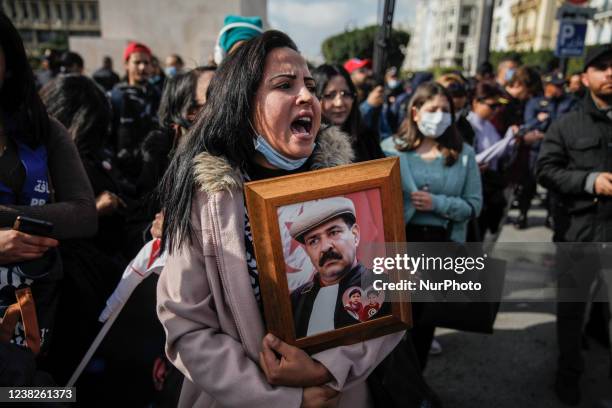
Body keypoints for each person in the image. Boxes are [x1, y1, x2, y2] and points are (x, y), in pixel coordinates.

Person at [157, 30, 402, 408]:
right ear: (243, 103)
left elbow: (392, 295)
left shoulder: (354, 186)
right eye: (285, 85)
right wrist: (285, 398)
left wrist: (326, 371)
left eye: (310, 85)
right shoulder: (205, 201)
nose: (307, 96)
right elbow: (186, 326)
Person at [0, 11, 96, 375]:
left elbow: (83, 215)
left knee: (47, 396)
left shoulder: (44, 129)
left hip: (39, 314)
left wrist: (9, 220)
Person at [382, 81, 482, 370]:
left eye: (445, 110)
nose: (439, 116)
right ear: (415, 112)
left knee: (425, 324)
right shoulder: (389, 150)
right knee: (392, 326)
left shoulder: (463, 155)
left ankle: (417, 389)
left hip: (441, 247)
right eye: (432, 109)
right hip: (398, 245)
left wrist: (438, 204)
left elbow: (474, 204)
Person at [536, 43, 612, 406]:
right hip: (577, 234)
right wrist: (589, 181)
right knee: (571, 312)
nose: (610, 73)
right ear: (585, 77)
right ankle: (568, 374)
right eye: (602, 67)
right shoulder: (567, 124)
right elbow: (546, 170)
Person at [288, 197, 386, 338]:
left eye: (333, 233)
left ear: (355, 235)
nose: (325, 247)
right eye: (314, 241)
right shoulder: (296, 301)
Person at [108, 41, 161, 196]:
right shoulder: (116, 96)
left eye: (146, 63)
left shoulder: (158, 95)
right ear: (126, 64)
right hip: (125, 178)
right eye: (137, 62)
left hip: (154, 174)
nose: (142, 67)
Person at [313, 64, 384, 162]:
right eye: (330, 95)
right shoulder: (306, 148)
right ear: (314, 98)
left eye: (345, 94)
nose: (339, 103)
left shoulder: (367, 139)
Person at [467, 82, 508, 238]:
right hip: (477, 186)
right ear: (476, 102)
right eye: (492, 106)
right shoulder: (469, 125)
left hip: (491, 185)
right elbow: (475, 158)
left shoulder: (489, 126)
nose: (496, 110)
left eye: (498, 106)